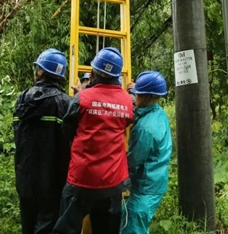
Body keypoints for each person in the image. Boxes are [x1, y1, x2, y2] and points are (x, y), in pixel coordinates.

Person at [54, 47, 134, 234]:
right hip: (113, 183)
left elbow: (67, 129)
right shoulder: (128, 102)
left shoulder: (82, 98)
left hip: (81, 179)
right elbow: (128, 119)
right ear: (117, 76)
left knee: (66, 229)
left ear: (93, 72)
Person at [14, 48, 72, 234]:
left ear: (40, 72)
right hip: (53, 179)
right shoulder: (65, 103)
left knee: (28, 225)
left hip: (25, 177)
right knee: (47, 225)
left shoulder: (22, 100)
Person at [121, 71, 172, 234]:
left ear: (146, 97)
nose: (135, 98)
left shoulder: (145, 129)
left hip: (145, 185)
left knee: (134, 226)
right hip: (155, 180)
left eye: (137, 95)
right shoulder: (158, 113)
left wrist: (118, 180)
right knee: (128, 218)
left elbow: (134, 161)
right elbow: (139, 111)